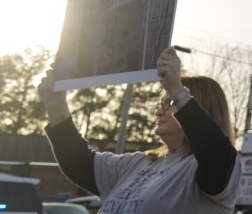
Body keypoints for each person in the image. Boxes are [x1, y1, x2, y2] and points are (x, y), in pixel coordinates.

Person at [38, 46, 239, 212]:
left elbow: (216, 151)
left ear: (201, 109)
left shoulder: (214, 168)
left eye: (169, 103)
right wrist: (55, 104)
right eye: (159, 104)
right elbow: (80, 163)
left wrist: (177, 89)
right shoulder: (140, 163)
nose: (159, 112)